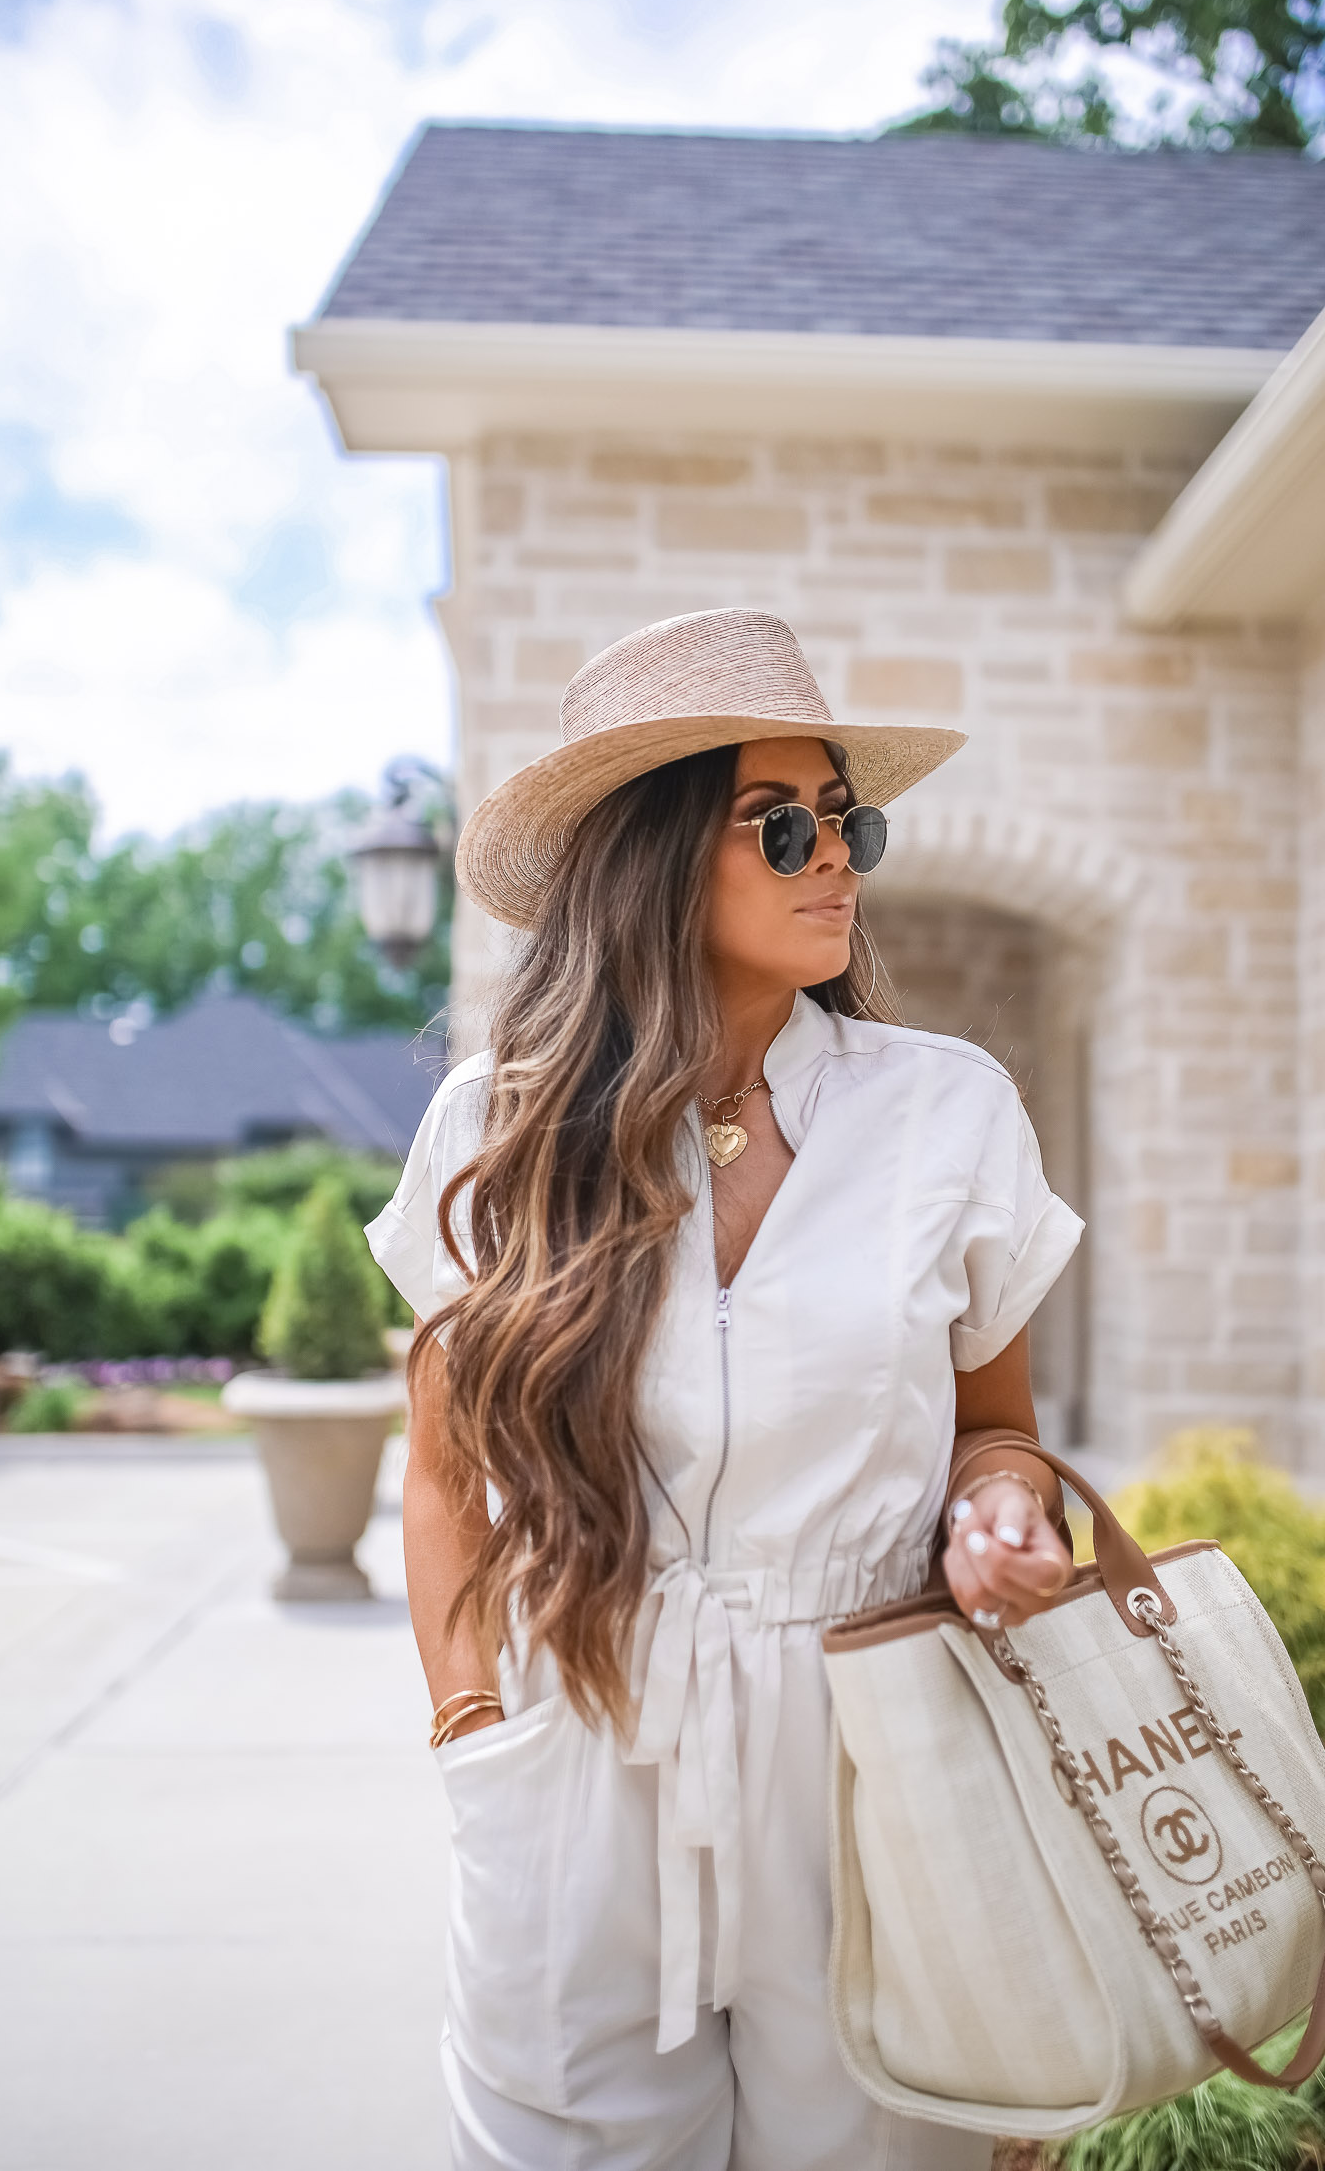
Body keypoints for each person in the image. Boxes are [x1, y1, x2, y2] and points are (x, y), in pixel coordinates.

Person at [367, 608, 1084, 2171]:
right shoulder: (490, 1132)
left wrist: (1007, 1509)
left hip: (878, 1745)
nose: (834, 853)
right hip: (579, 1742)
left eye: (848, 816)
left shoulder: (949, 1112)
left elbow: (997, 1428)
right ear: (657, 855)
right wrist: (472, 1722)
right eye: (782, 821)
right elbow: (440, 1475)